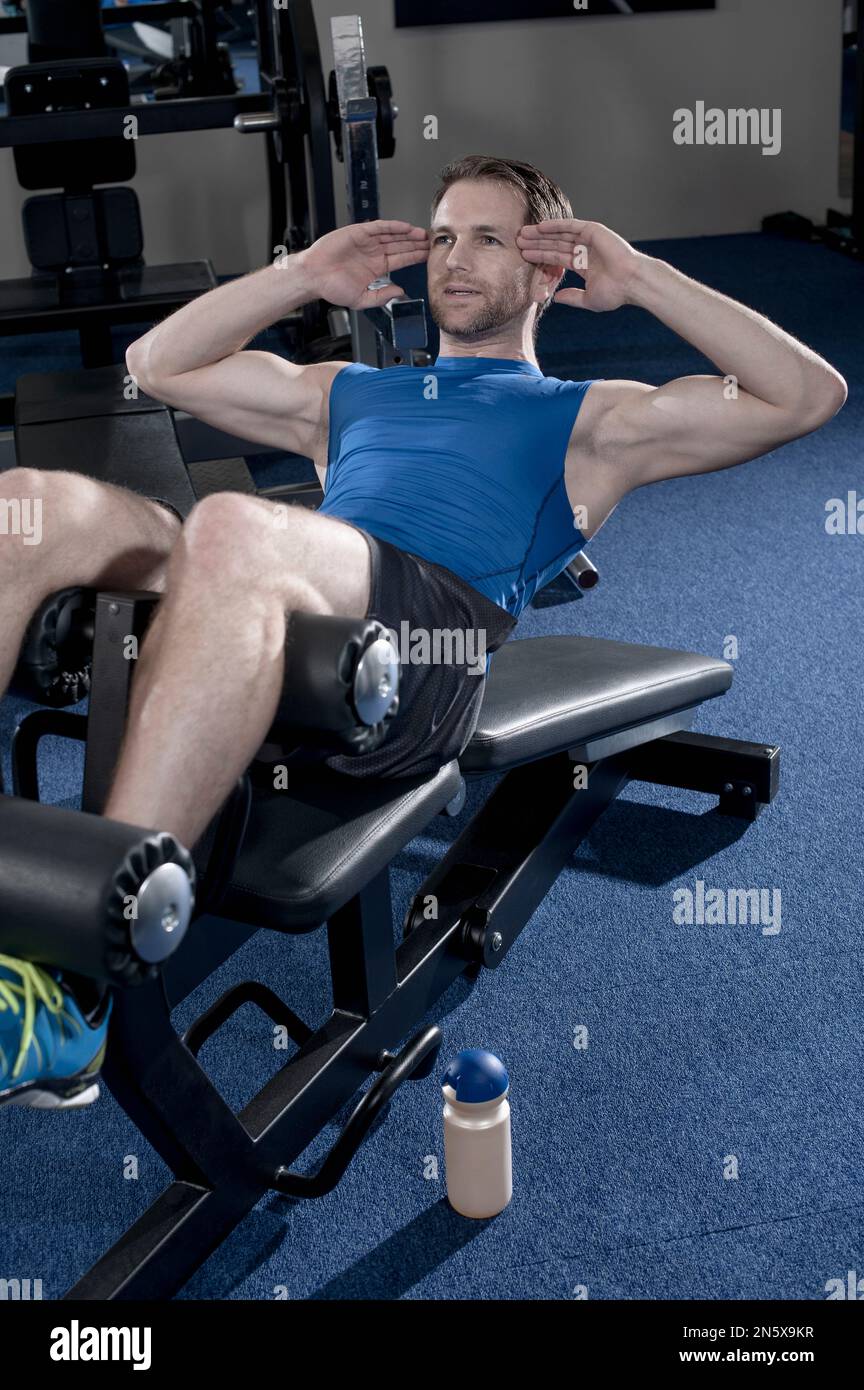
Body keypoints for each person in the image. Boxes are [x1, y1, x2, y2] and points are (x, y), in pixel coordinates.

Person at [0, 154, 846, 1108]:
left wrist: (641, 276)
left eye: (490, 238)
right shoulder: (350, 391)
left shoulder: (591, 420)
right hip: (282, 592)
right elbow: (154, 366)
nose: (455, 256)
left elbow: (806, 395)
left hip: (412, 660)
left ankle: (75, 987)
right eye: (444, 235)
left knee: (232, 524)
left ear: (548, 272)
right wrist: (298, 277)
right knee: (30, 506)